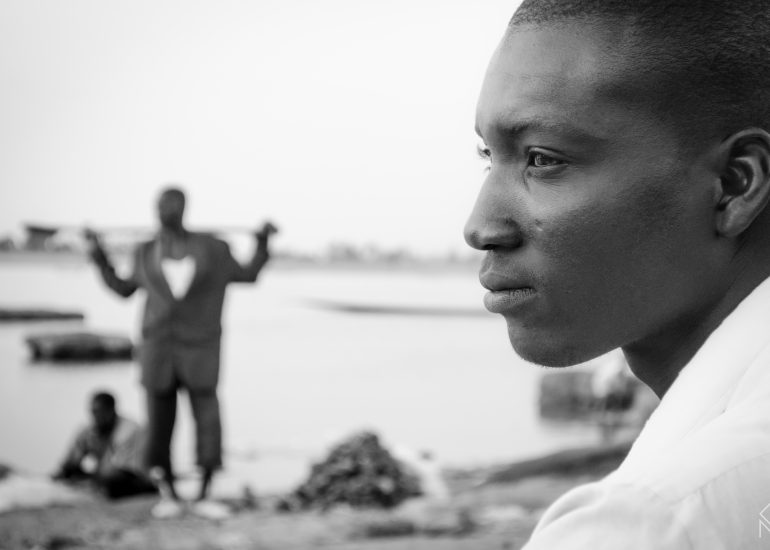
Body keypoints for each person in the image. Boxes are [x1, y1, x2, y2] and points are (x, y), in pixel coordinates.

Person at [465, 1, 770, 547]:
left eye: (542, 159)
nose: (481, 227)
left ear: (733, 184)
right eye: (490, 156)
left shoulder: (651, 523)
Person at [85, 186, 277, 519]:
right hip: (157, 351)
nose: (164, 211)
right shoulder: (145, 251)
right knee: (158, 425)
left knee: (209, 422)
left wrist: (262, 243)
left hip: (201, 352)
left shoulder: (215, 249)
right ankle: (169, 492)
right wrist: (98, 255)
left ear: (184, 207)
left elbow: (248, 274)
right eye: (160, 205)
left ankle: (204, 493)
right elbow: (123, 288)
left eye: (171, 204)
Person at [53, 391, 156, 500]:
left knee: (113, 483)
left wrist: (89, 478)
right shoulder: (89, 431)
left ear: (111, 411)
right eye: (93, 412)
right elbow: (70, 463)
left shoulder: (129, 430)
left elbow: (120, 471)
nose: (96, 417)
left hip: (134, 479)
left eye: (100, 412)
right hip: (104, 477)